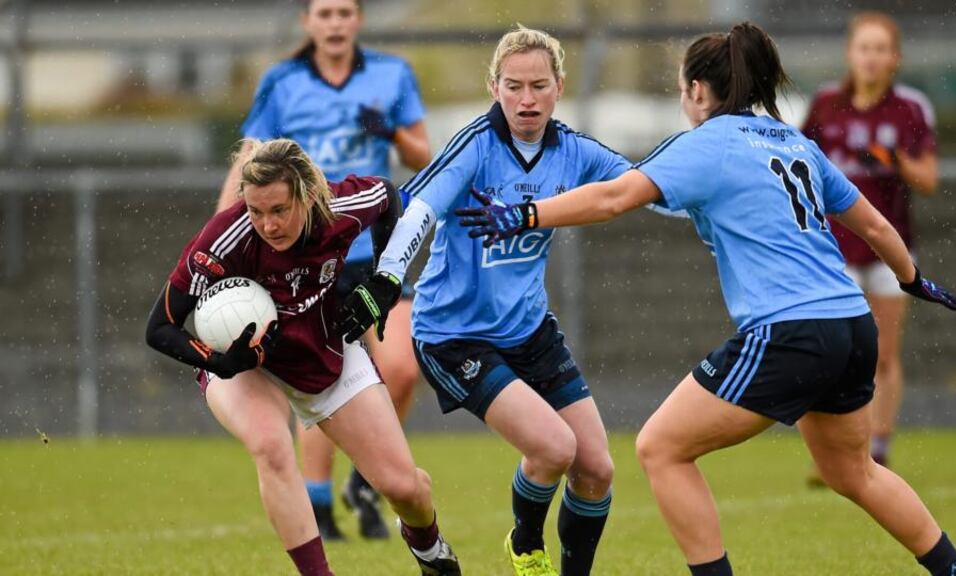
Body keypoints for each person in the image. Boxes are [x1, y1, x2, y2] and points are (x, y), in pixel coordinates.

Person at [457, 21, 956, 576]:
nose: (683, 100)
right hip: (851, 324)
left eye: (683, 89)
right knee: (855, 473)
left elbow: (614, 198)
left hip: (791, 331)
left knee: (660, 448)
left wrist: (525, 213)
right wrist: (910, 278)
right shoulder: (794, 141)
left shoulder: (709, 143)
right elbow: (874, 225)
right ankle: (955, 570)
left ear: (699, 92)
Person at [336, 25, 626, 576]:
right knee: (553, 450)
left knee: (597, 469)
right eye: (514, 86)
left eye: (539, 85)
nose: (526, 99)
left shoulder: (573, 151)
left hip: (530, 330)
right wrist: (387, 278)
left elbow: (641, 185)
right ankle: (525, 543)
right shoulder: (476, 146)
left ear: (559, 86)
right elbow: (420, 208)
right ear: (494, 86)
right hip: (454, 337)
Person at [147, 139, 460, 576]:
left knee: (404, 487)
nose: (267, 225)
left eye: (279, 210)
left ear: (309, 196)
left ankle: (429, 550)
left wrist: (382, 282)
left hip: (322, 346)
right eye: (256, 211)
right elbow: (159, 328)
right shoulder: (223, 239)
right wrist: (217, 361)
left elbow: (390, 197)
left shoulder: (342, 205)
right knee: (271, 444)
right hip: (246, 365)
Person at [216, 0, 431, 540]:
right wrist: (219, 236)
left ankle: (363, 479)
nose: (335, 23)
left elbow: (421, 156)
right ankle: (318, 503)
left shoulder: (390, 74)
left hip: (373, 253)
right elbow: (249, 159)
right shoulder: (283, 82)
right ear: (307, 23)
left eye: (344, 12)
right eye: (324, 13)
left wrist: (389, 132)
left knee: (402, 367)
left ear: (358, 20)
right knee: (322, 374)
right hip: (305, 259)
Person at [803, 11, 939, 469]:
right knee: (836, 352)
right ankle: (843, 446)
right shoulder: (825, 104)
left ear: (895, 58)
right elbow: (801, 166)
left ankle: (877, 448)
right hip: (834, 250)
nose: (872, 58)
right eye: (864, 47)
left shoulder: (909, 109)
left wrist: (892, 159)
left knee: (882, 353)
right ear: (850, 53)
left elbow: (928, 178)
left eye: (881, 49)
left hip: (889, 248)